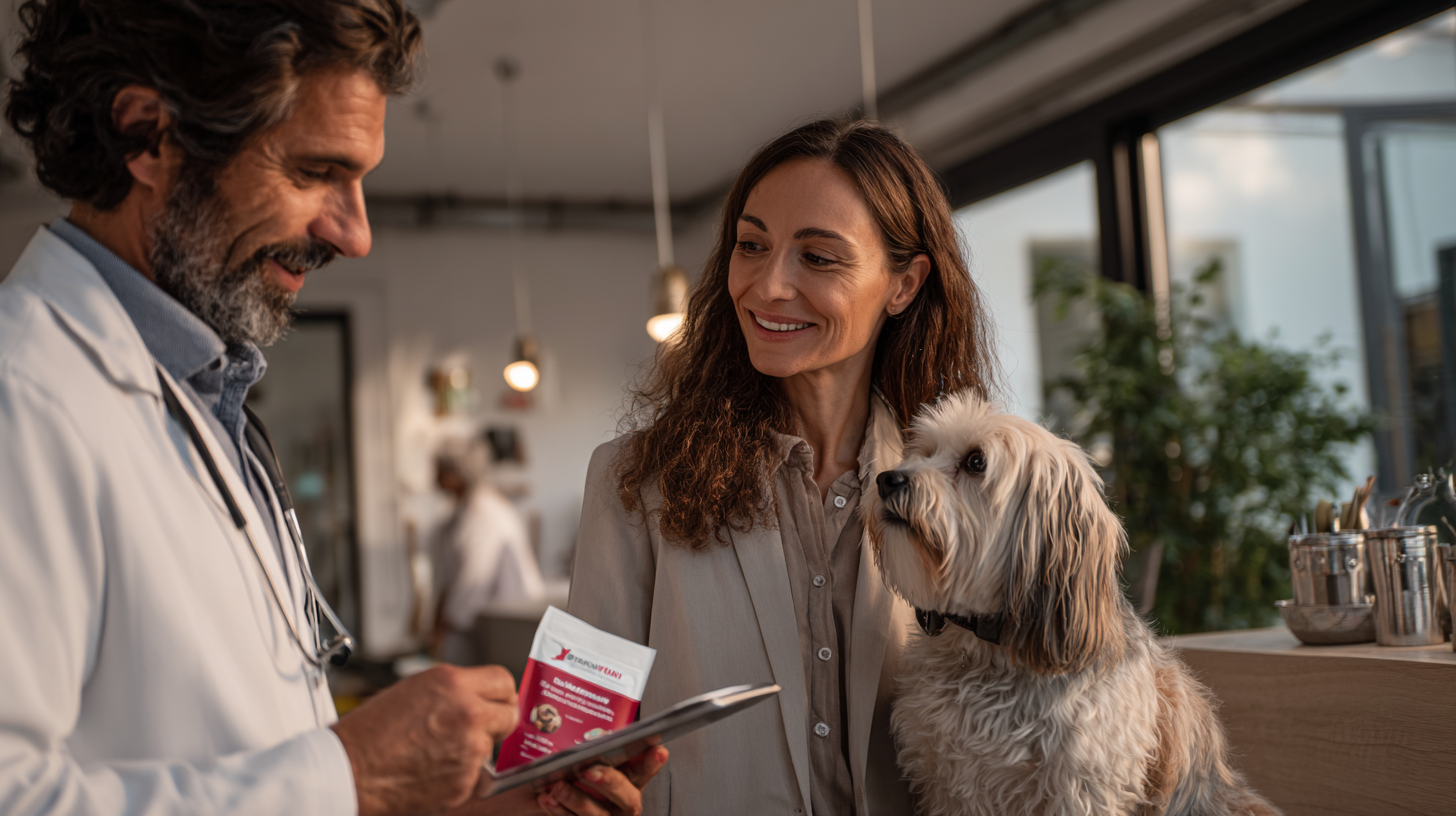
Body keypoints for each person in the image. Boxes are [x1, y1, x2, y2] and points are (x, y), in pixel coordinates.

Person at [0, 2, 662, 815]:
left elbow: (241, 753)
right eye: (316, 172)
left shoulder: (208, 398)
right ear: (148, 135)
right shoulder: (22, 394)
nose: (355, 234)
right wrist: (356, 777)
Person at [568, 117, 998, 815]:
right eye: (751, 245)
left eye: (818, 258)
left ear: (904, 283)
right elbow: (578, 741)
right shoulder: (633, 479)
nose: (767, 286)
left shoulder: (965, 489)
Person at [431, 435, 546, 663]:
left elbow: (471, 580)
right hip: (484, 629)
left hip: (501, 630)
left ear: (456, 472)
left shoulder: (483, 513)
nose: (434, 477)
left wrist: (442, 628)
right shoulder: (466, 510)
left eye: (439, 470)